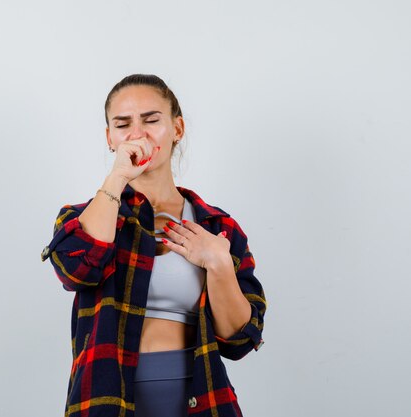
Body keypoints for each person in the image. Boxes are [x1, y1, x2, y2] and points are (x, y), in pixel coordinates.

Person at [41, 74, 266, 417]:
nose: (138, 133)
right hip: (105, 400)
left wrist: (218, 265)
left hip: (201, 399)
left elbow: (238, 341)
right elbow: (78, 272)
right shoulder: (82, 217)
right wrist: (117, 177)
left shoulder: (217, 227)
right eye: (123, 124)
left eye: (151, 120)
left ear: (177, 129)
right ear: (110, 138)